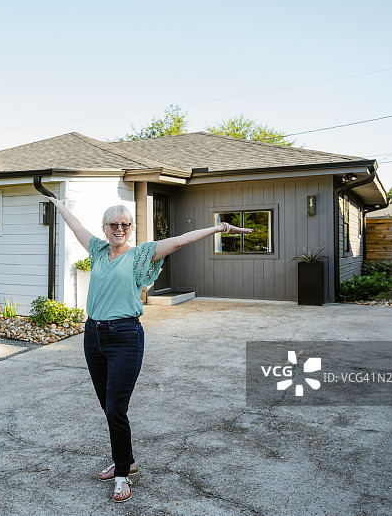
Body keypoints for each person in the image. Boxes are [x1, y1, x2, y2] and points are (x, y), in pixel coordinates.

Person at [45, 196, 252, 503]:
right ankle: (127, 460)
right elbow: (75, 226)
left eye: (124, 224)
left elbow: (181, 241)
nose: (119, 229)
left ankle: (122, 475)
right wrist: (59, 204)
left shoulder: (141, 255)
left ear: (130, 229)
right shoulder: (99, 251)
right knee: (108, 406)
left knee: (116, 408)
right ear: (105, 228)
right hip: (93, 335)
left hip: (125, 337)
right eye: (113, 224)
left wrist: (219, 228)